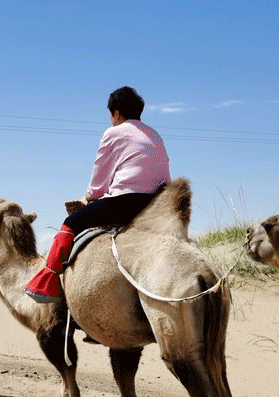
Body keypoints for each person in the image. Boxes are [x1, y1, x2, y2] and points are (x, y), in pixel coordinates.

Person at [24, 86, 171, 303]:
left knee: (70, 223)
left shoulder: (114, 132)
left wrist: (86, 199)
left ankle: (48, 280)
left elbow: (98, 183)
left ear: (117, 113)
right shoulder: (155, 134)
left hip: (125, 203)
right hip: (158, 204)